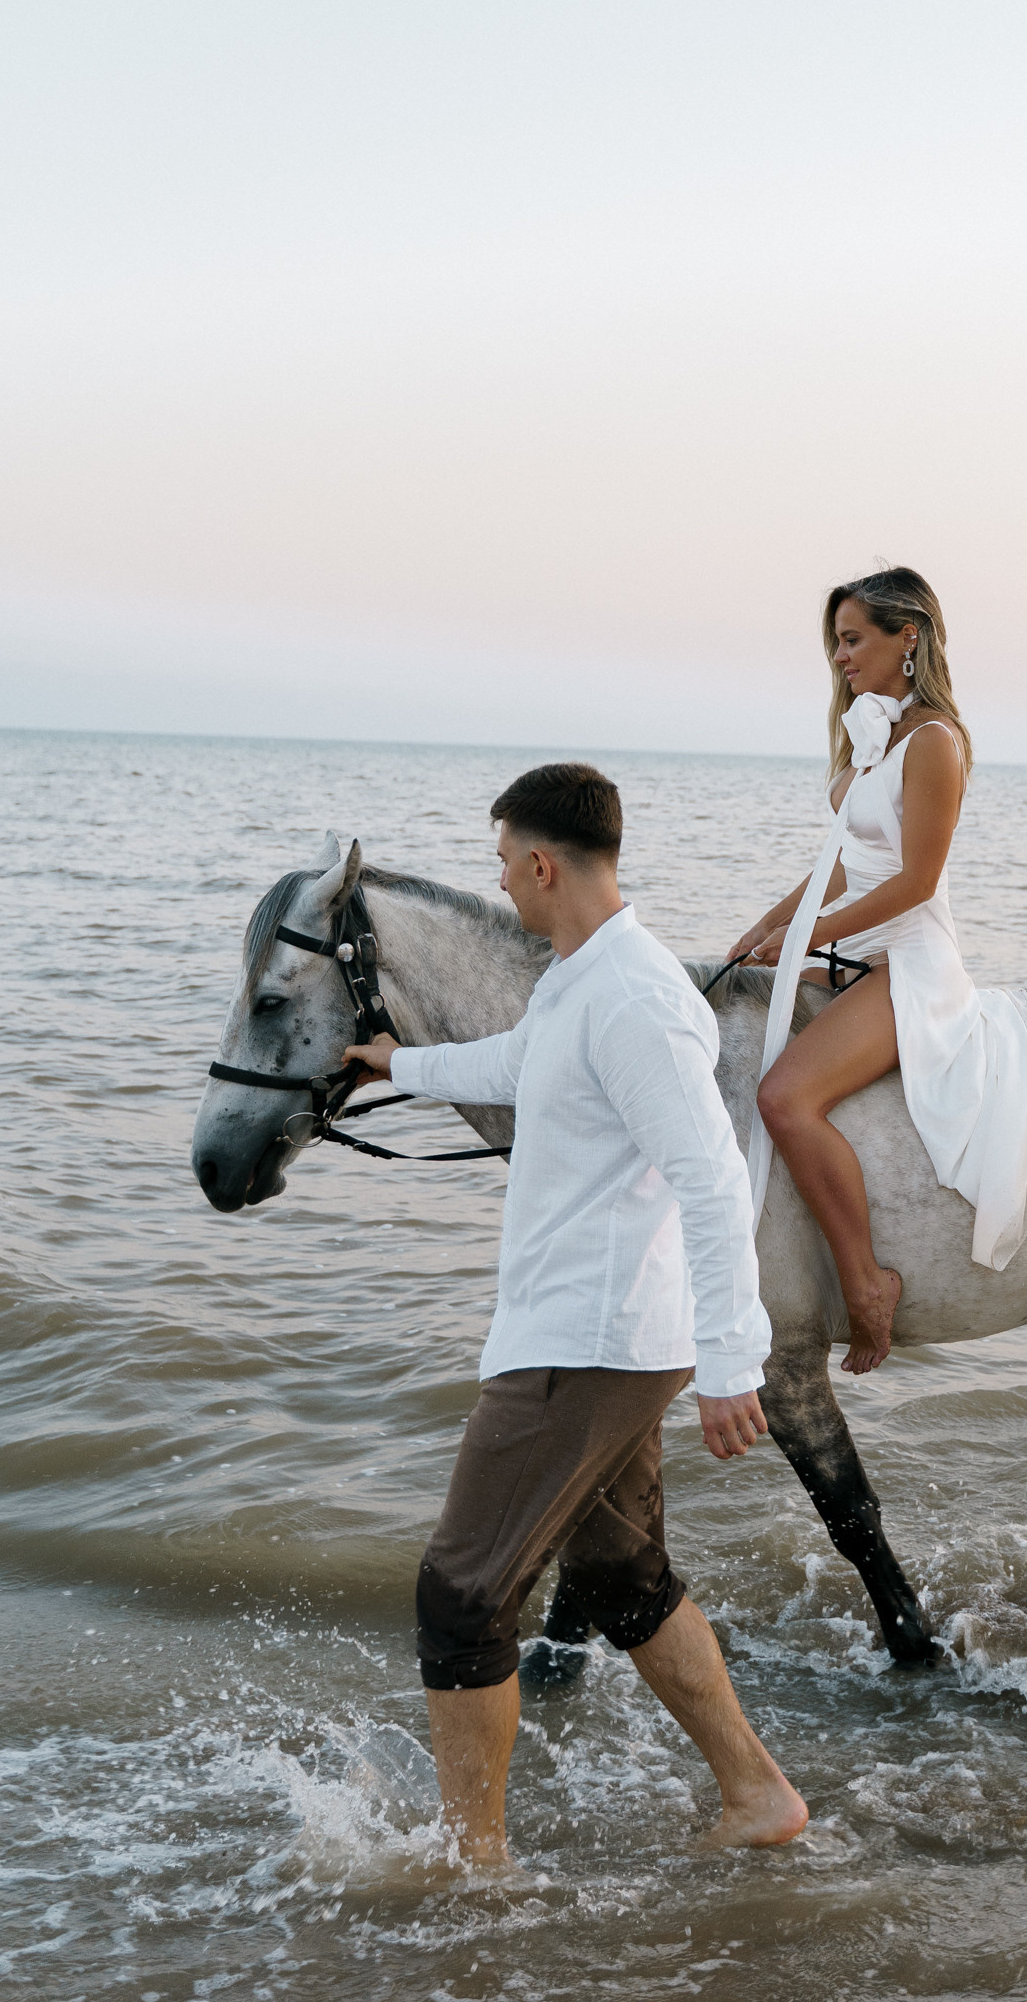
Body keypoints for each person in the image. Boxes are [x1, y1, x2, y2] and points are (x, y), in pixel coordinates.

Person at [344, 760, 807, 1870]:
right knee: (622, 1583)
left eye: (504, 864)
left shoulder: (637, 999)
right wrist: (397, 1062)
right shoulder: (579, 980)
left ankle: (474, 1867)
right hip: (597, 1338)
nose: (500, 884)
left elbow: (710, 1179)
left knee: (460, 1596)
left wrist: (734, 1359)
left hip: (583, 1348)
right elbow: (516, 1062)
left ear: (543, 863)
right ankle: (757, 1795)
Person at [726, 567, 1027, 1378]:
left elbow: (915, 882)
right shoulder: (875, 738)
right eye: (835, 641)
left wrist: (810, 937)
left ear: (909, 637)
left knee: (783, 1098)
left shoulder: (935, 740)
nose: (839, 657)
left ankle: (868, 1285)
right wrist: (768, 926)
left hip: (910, 959)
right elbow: (843, 864)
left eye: (853, 638)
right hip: (854, 953)